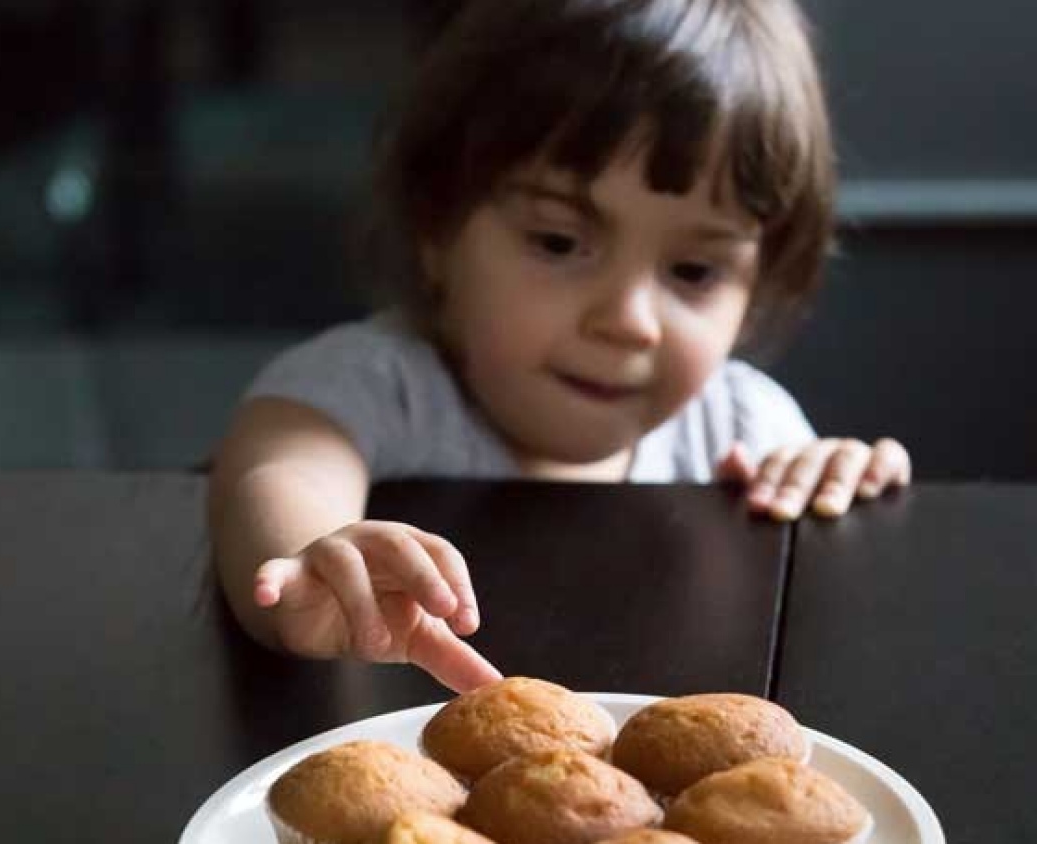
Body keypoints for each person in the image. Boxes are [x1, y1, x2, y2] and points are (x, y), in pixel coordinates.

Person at [208, 0, 910, 694]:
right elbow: (279, 473)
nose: (629, 321)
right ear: (436, 229)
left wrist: (835, 493)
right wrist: (310, 560)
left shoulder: (746, 428)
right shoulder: (375, 383)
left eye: (694, 271)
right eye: (559, 242)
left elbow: (813, 618)